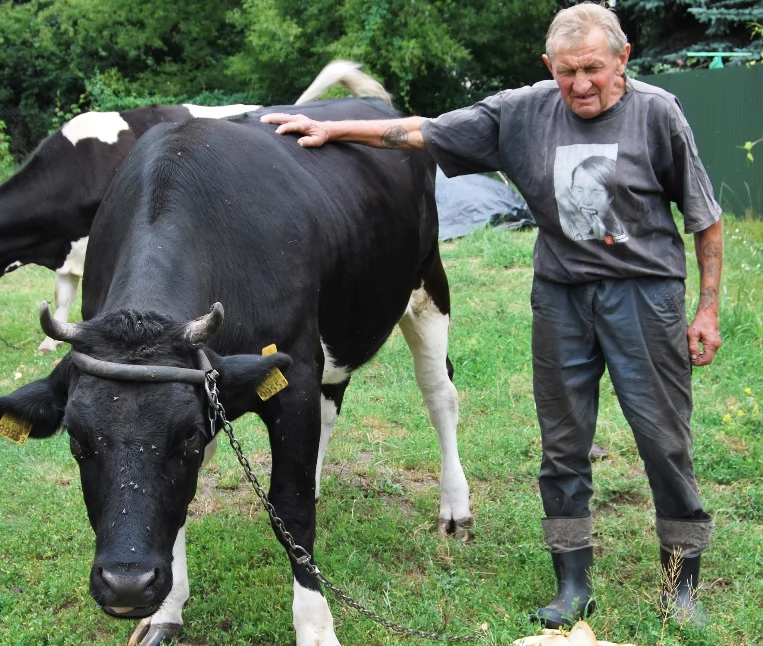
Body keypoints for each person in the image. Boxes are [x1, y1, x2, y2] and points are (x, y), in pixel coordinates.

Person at [262, 2, 723, 630]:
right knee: (563, 445)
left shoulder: (657, 113)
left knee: (663, 440)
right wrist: (337, 132)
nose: (580, 84)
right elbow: (422, 131)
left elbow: (704, 217)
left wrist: (706, 309)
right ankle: (572, 585)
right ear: (548, 66)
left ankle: (681, 585)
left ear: (622, 60)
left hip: (644, 295)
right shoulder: (522, 111)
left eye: (592, 68)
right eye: (566, 71)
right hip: (562, 298)